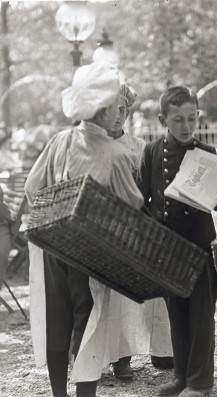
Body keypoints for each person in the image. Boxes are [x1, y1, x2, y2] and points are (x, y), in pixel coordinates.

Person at [25, 61, 144, 397]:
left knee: (57, 321)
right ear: (104, 110)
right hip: (91, 253)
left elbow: (34, 189)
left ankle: (59, 393)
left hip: (54, 244)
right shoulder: (115, 153)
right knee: (88, 325)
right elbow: (132, 206)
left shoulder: (61, 141)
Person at [136, 86, 217, 397]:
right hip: (167, 248)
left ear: (198, 116)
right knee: (177, 313)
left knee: (202, 315)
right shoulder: (151, 152)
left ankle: (200, 383)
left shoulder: (209, 154)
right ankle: (181, 376)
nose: (187, 126)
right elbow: (142, 197)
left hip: (200, 245)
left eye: (192, 118)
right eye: (178, 120)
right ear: (164, 119)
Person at [107, 83, 173, 379]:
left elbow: (149, 191)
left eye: (124, 110)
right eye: (113, 110)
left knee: (137, 294)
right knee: (105, 296)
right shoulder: (92, 146)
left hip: (133, 226)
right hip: (101, 226)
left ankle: (143, 352)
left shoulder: (139, 148)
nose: (119, 116)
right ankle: (107, 357)